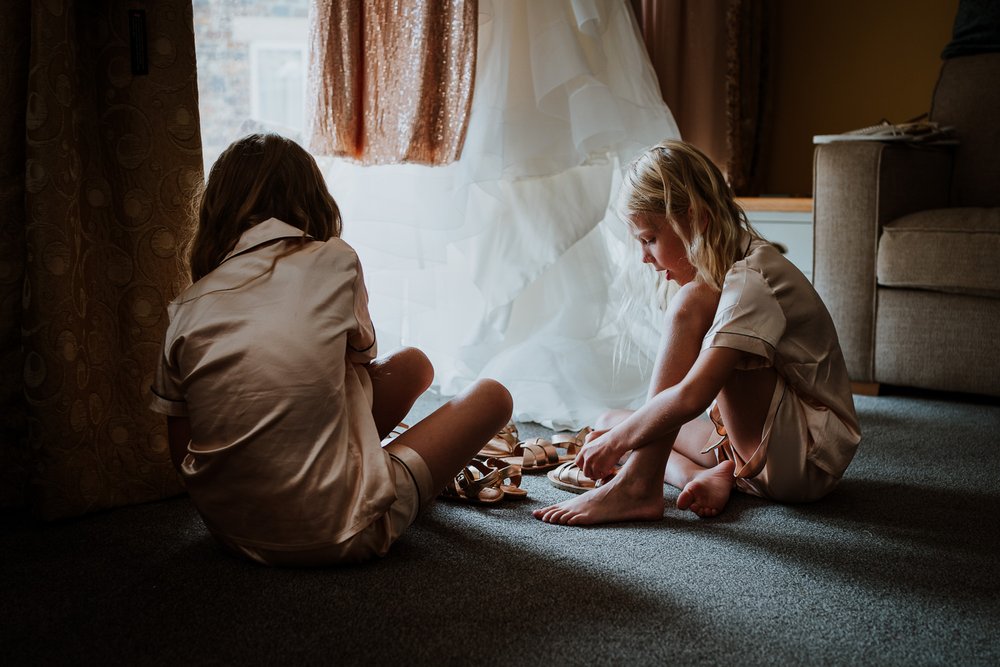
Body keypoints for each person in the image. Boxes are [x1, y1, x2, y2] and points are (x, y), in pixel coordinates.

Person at [150, 133, 513, 565]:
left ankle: (329, 465)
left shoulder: (188, 305)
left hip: (230, 532)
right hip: (344, 529)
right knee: (490, 394)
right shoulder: (335, 258)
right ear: (314, 199)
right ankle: (382, 475)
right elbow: (362, 354)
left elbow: (182, 452)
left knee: (408, 365)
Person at [534, 139, 861, 526]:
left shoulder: (751, 281)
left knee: (688, 312)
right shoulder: (731, 265)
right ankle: (697, 476)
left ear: (695, 218)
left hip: (805, 461)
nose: (644, 257)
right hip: (751, 449)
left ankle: (638, 486)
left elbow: (693, 395)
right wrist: (617, 434)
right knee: (610, 419)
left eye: (649, 239)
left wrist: (619, 444)